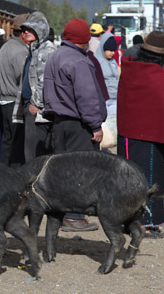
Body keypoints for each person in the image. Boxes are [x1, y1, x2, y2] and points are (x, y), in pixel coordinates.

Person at [44, 18, 106, 232]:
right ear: (83, 41)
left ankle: (60, 215)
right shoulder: (78, 61)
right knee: (81, 171)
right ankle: (75, 216)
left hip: (59, 123)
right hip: (78, 125)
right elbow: (86, 96)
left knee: (62, 170)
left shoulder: (55, 56)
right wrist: (95, 126)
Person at [117, 31, 164, 238]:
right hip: (150, 134)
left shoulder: (129, 68)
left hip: (127, 132)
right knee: (150, 177)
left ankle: (124, 218)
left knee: (127, 176)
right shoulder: (157, 74)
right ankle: (149, 223)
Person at [21, 12, 57, 162]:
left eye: (30, 29)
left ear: (40, 30)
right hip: (31, 106)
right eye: (24, 30)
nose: (25, 32)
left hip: (38, 110)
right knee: (31, 150)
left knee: (35, 153)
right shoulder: (35, 49)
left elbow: (45, 81)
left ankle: (34, 182)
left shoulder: (45, 51)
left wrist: (35, 103)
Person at [0, 13, 30, 166]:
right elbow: (23, 80)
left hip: (4, 100)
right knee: (18, 145)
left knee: (7, 142)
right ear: (23, 33)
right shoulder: (20, 51)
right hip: (14, 103)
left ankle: (3, 173)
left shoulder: (6, 46)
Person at [93, 33, 119, 115]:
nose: (113, 53)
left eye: (114, 50)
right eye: (110, 50)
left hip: (115, 98)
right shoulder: (96, 61)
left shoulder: (113, 62)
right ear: (103, 48)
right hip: (103, 100)